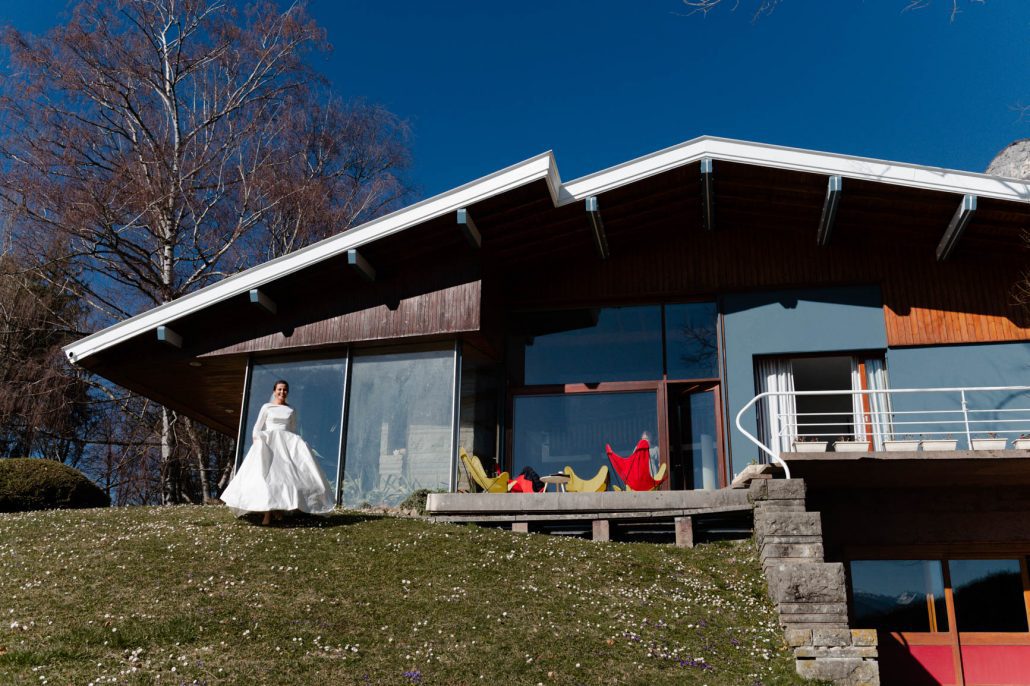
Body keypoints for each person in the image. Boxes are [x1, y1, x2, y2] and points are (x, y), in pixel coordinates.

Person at [220, 379, 335, 525]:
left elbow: (292, 429)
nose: (282, 392)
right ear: (274, 391)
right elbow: (257, 427)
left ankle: (281, 508)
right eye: (279, 389)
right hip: (269, 444)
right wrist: (258, 441)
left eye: (285, 389)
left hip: (286, 445)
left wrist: (297, 445)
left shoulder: (291, 410)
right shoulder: (266, 407)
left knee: (286, 479)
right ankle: (267, 515)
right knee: (268, 478)